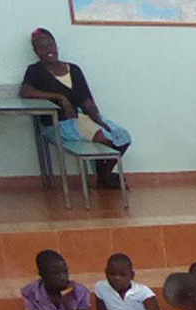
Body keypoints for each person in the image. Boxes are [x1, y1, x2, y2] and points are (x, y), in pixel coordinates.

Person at [20, 28, 131, 190]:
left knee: (122, 137)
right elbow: (25, 92)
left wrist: (98, 118)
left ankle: (104, 174)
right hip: (59, 123)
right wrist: (59, 97)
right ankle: (105, 177)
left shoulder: (74, 69)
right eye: (42, 47)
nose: (48, 50)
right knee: (103, 138)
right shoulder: (35, 71)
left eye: (50, 45)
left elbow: (86, 99)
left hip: (81, 118)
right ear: (36, 51)